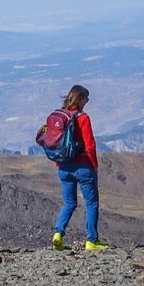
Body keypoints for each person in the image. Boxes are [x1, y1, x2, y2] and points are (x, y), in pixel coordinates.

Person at [49, 85, 108, 250]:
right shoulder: (83, 118)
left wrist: (59, 163)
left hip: (64, 167)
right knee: (91, 203)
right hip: (83, 167)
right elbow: (90, 145)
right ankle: (91, 240)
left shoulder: (61, 116)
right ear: (80, 99)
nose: (87, 102)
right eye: (86, 99)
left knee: (68, 203)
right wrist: (94, 166)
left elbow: (55, 143)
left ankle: (58, 234)